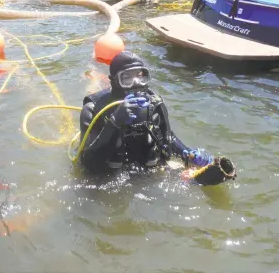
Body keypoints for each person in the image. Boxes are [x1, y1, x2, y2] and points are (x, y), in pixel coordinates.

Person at [78, 51, 236, 186]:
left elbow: (167, 136)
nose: (136, 84)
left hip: (146, 168)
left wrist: (187, 153)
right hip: (109, 176)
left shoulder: (154, 103)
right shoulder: (93, 109)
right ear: (113, 81)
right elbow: (87, 164)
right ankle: (92, 78)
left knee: (192, 180)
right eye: (127, 78)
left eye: (141, 77)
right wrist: (114, 122)